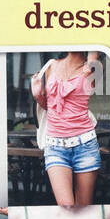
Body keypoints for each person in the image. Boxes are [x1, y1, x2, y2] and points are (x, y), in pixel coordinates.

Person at [32, 52, 100, 207]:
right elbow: (49, 107)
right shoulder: (51, 66)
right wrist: (38, 96)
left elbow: (91, 65)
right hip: (55, 145)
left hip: (85, 144)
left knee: (83, 208)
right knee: (66, 207)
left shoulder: (95, 67)